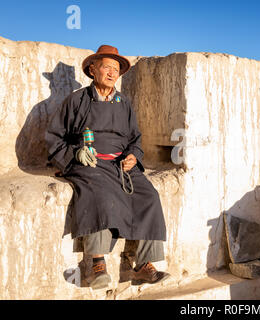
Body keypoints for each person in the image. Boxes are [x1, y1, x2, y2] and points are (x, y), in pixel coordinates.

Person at [45, 45, 169, 289]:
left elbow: (135, 138)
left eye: (116, 69)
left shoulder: (124, 102)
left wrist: (133, 155)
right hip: (88, 162)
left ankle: (143, 265)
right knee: (99, 195)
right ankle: (97, 264)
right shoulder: (77, 100)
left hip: (120, 164)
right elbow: (54, 137)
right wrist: (74, 154)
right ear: (93, 70)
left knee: (149, 196)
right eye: (106, 67)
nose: (112, 73)